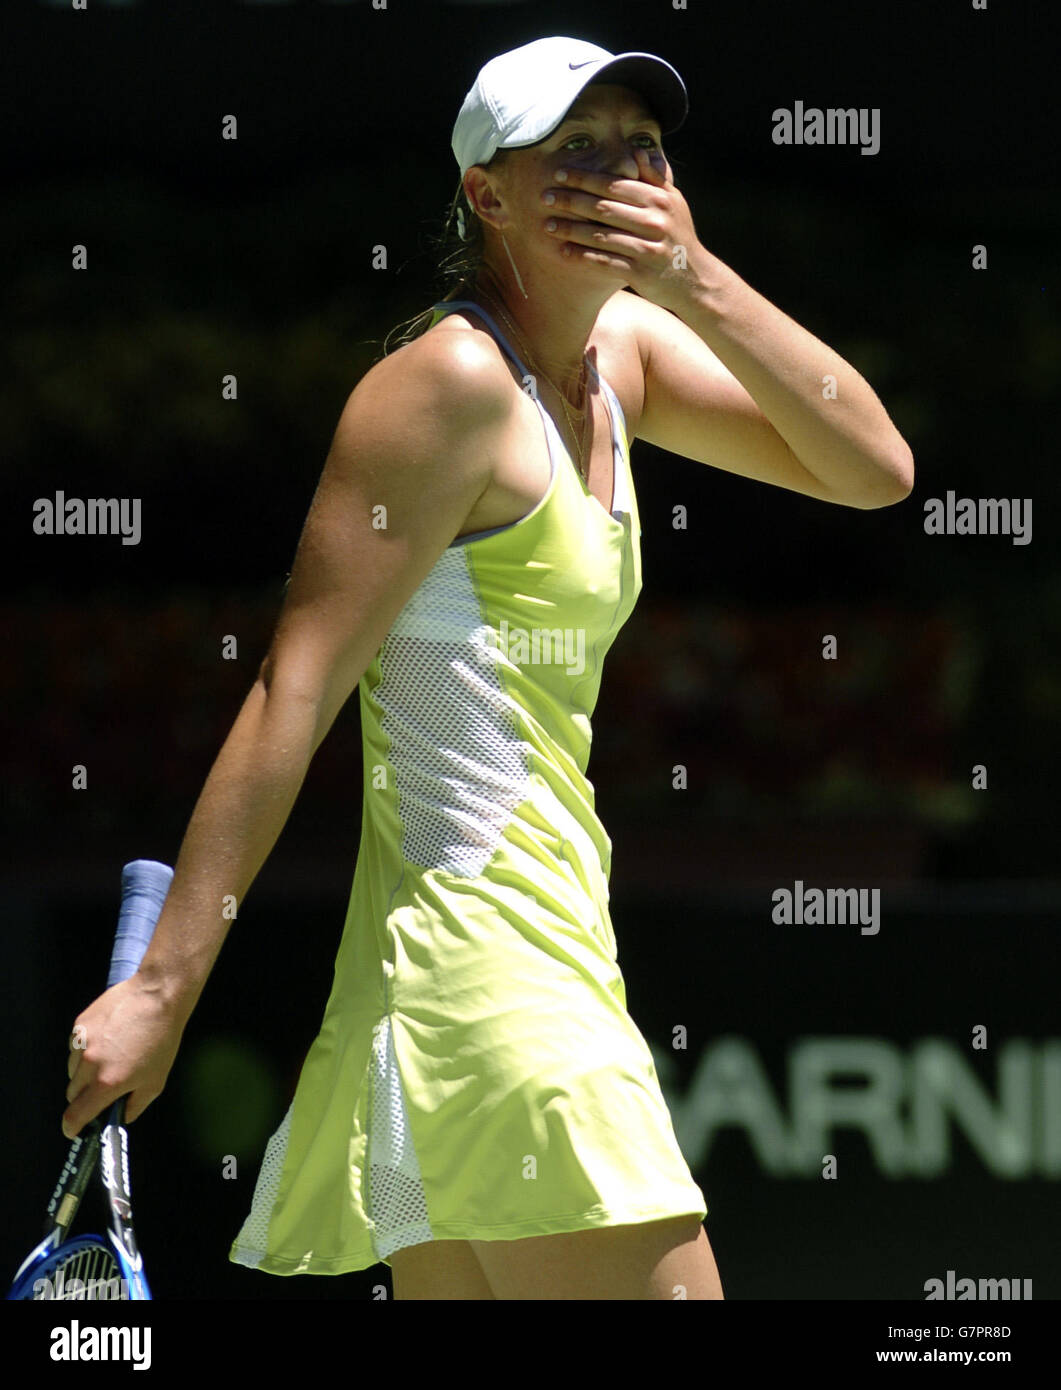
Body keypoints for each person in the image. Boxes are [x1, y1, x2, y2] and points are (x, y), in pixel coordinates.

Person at [62, 36, 914, 1301]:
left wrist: (696, 279)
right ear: (485, 194)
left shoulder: (619, 358)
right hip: (491, 989)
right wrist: (166, 989)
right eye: (573, 150)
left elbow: (872, 467)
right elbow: (291, 691)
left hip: (511, 976)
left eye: (640, 146)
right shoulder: (449, 386)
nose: (618, 173)